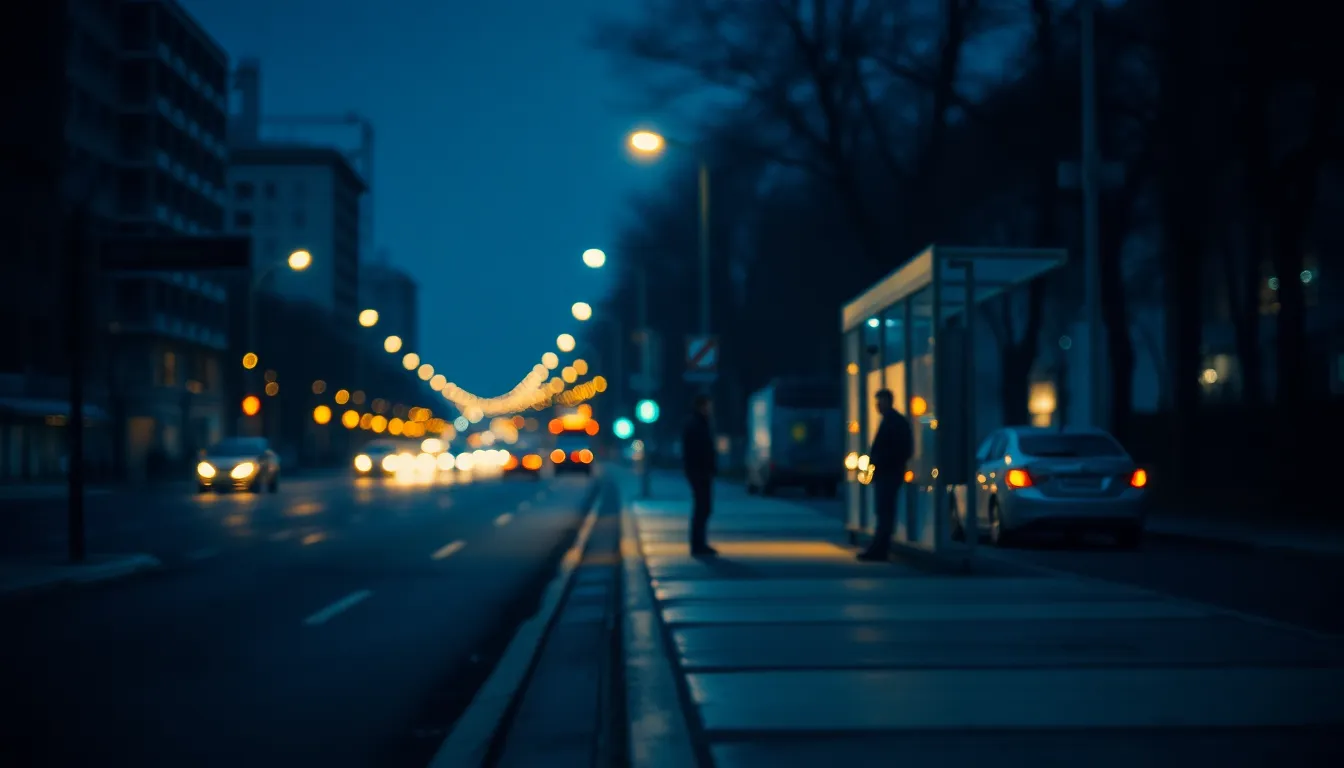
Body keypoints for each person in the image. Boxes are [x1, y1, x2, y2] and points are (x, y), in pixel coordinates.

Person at [858, 388, 914, 562]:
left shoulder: (894, 422)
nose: (877, 406)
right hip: (888, 473)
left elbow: (902, 449)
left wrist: (880, 460)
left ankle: (880, 549)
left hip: (888, 473)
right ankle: (879, 548)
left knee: (885, 512)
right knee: (884, 512)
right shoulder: (894, 421)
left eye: (880, 402)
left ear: (888, 402)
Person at [681, 394, 718, 556]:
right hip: (699, 472)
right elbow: (698, 450)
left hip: (701, 471)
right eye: (707, 405)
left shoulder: (699, 423)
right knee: (702, 507)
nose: (710, 409)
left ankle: (700, 543)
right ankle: (698, 544)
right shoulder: (696, 424)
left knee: (703, 508)